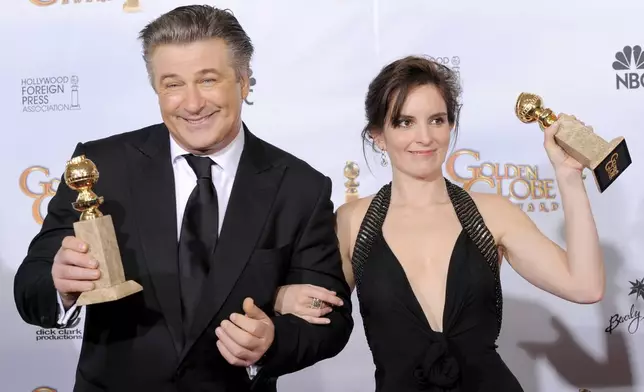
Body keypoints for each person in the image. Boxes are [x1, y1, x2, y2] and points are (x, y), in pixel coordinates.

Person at [13, 5, 353, 392]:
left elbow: (332, 322)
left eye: (207, 80)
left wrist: (273, 341)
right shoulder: (99, 167)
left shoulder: (300, 187)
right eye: (173, 84)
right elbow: (30, 286)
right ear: (155, 87)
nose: (192, 104)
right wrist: (60, 286)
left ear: (243, 81)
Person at [272, 55, 605, 391]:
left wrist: (568, 175)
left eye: (437, 120)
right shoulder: (351, 222)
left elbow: (585, 285)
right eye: (404, 122)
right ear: (378, 135)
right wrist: (278, 296)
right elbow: (320, 309)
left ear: (450, 126)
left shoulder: (492, 213)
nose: (424, 137)